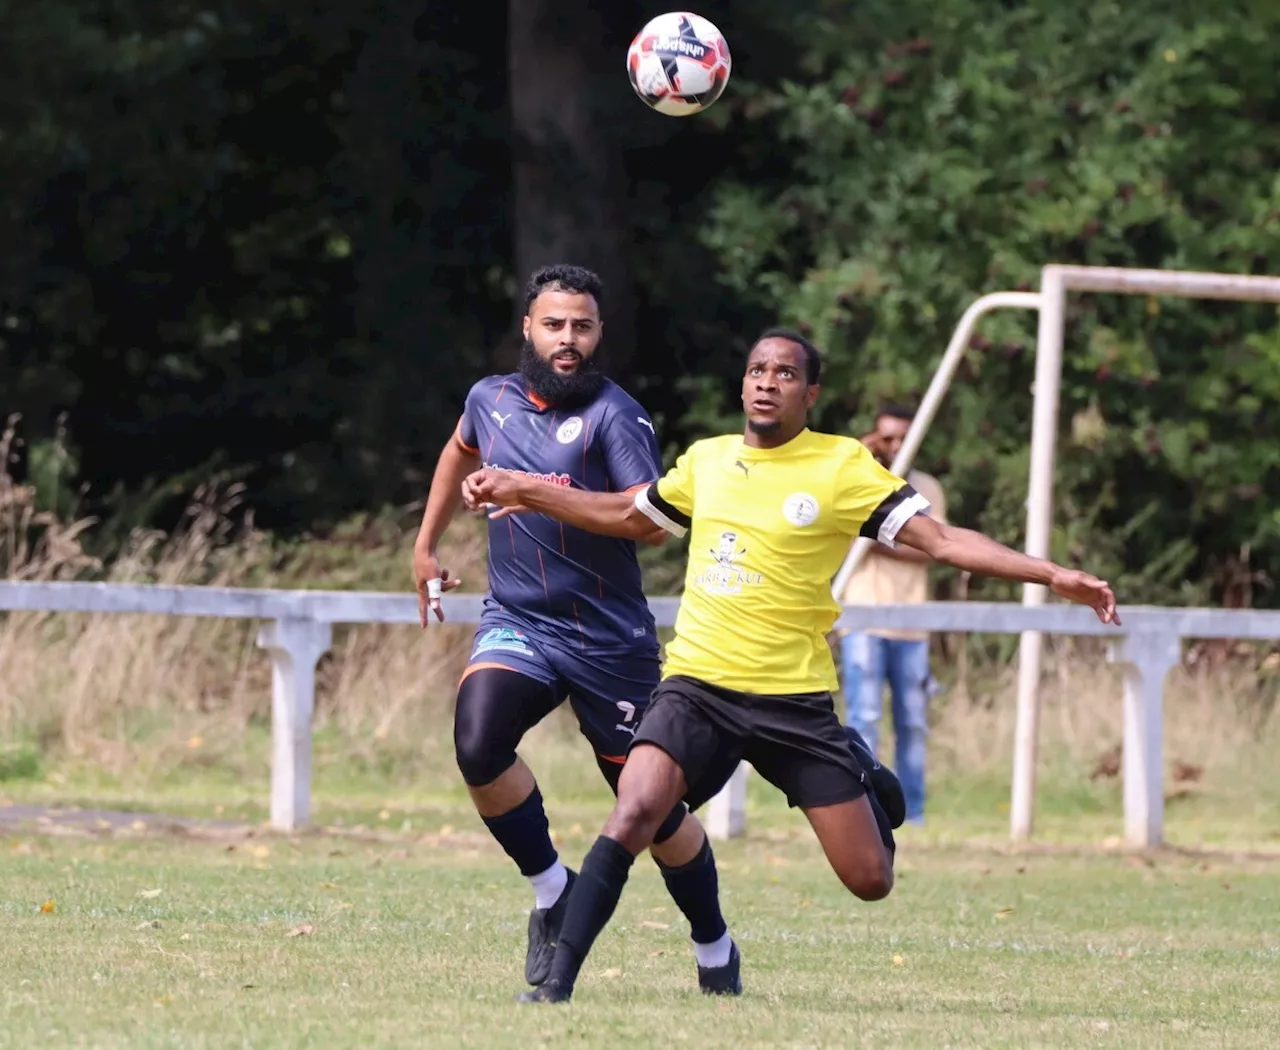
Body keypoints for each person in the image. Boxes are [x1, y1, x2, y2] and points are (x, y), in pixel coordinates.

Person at [461, 328, 1121, 1004]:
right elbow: (626, 515)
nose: (766, 381)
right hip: (697, 690)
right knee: (635, 811)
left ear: (811, 393)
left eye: (784, 372)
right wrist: (527, 490)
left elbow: (944, 540)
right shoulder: (708, 462)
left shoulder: (842, 467)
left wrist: (1052, 573)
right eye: (756, 369)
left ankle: (857, 766)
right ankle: (557, 986)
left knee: (869, 880)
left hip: (793, 703)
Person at [412, 264, 737, 995]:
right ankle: (551, 888)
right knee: (478, 742)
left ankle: (714, 944)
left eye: (582, 327)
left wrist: (532, 491)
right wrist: (426, 544)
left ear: (598, 334)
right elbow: (459, 449)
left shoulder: (616, 415)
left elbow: (644, 521)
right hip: (519, 619)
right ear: (528, 327)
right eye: (554, 324)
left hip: (608, 641)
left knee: (650, 814)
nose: (568, 340)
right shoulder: (487, 400)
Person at [840, 404, 948, 825]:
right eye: (887, 438)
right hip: (862, 620)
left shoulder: (926, 489)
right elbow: (843, 540)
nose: (897, 446)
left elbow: (935, 547)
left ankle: (913, 813)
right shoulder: (855, 480)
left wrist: (879, 537)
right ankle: (865, 812)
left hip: (912, 625)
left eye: (905, 437)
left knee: (914, 725)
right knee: (864, 719)